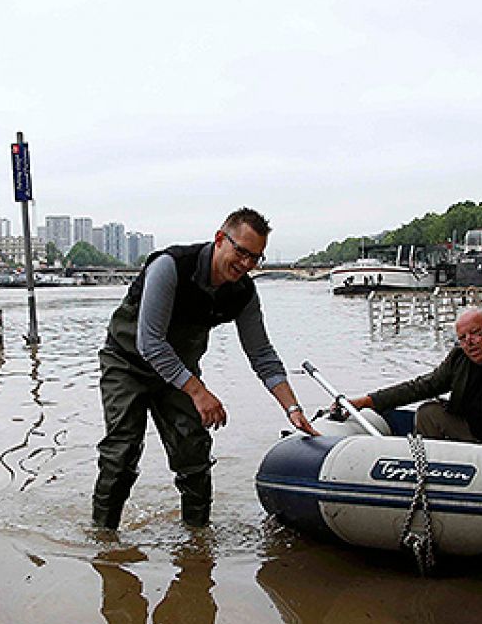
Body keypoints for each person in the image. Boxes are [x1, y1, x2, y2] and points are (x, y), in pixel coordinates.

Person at [92, 207, 317, 529]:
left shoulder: (242, 293)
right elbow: (150, 343)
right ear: (220, 239)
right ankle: (104, 539)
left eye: (256, 258)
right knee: (122, 453)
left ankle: (198, 542)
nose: (246, 264)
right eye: (241, 252)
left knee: (194, 453)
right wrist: (199, 392)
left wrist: (292, 408)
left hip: (178, 371)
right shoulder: (170, 266)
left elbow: (262, 354)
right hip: (128, 364)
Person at [343, 306, 482, 454]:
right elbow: (422, 386)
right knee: (428, 412)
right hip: (473, 432)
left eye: (475, 333)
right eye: (462, 337)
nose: (469, 342)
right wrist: (368, 401)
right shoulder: (459, 357)